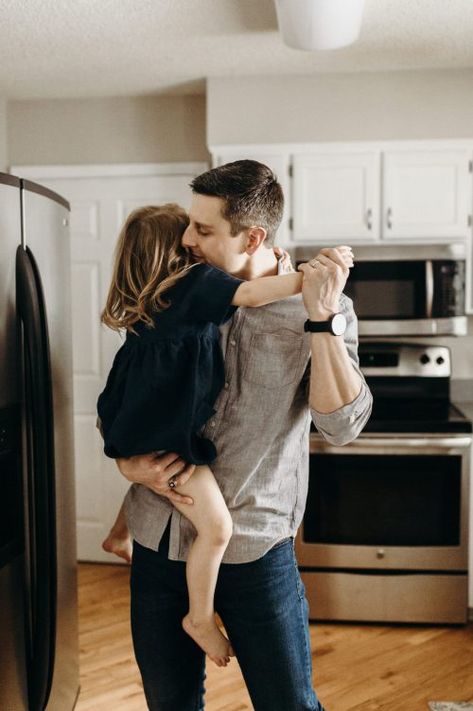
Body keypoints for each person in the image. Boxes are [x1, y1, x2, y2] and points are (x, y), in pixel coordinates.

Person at [106, 160, 372, 711]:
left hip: (255, 550)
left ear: (252, 236)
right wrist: (127, 465)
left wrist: (321, 319)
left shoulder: (320, 306)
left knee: (289, 704)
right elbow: (130, 399)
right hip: (160, 540)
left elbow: (342, 425)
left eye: (202, 230)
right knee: (169, 703)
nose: (186, 239)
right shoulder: (178, 292)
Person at [96, 202, 318, 667]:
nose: (196, 242)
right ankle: (200, 616)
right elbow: (256, 295)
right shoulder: (194, 285)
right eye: (190, 234)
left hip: (136, 426)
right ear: (177, 251)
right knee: (216, 528)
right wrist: (312, 278)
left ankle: (120, 534)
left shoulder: (146, 305)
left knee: (154, 478)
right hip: (168, 439)